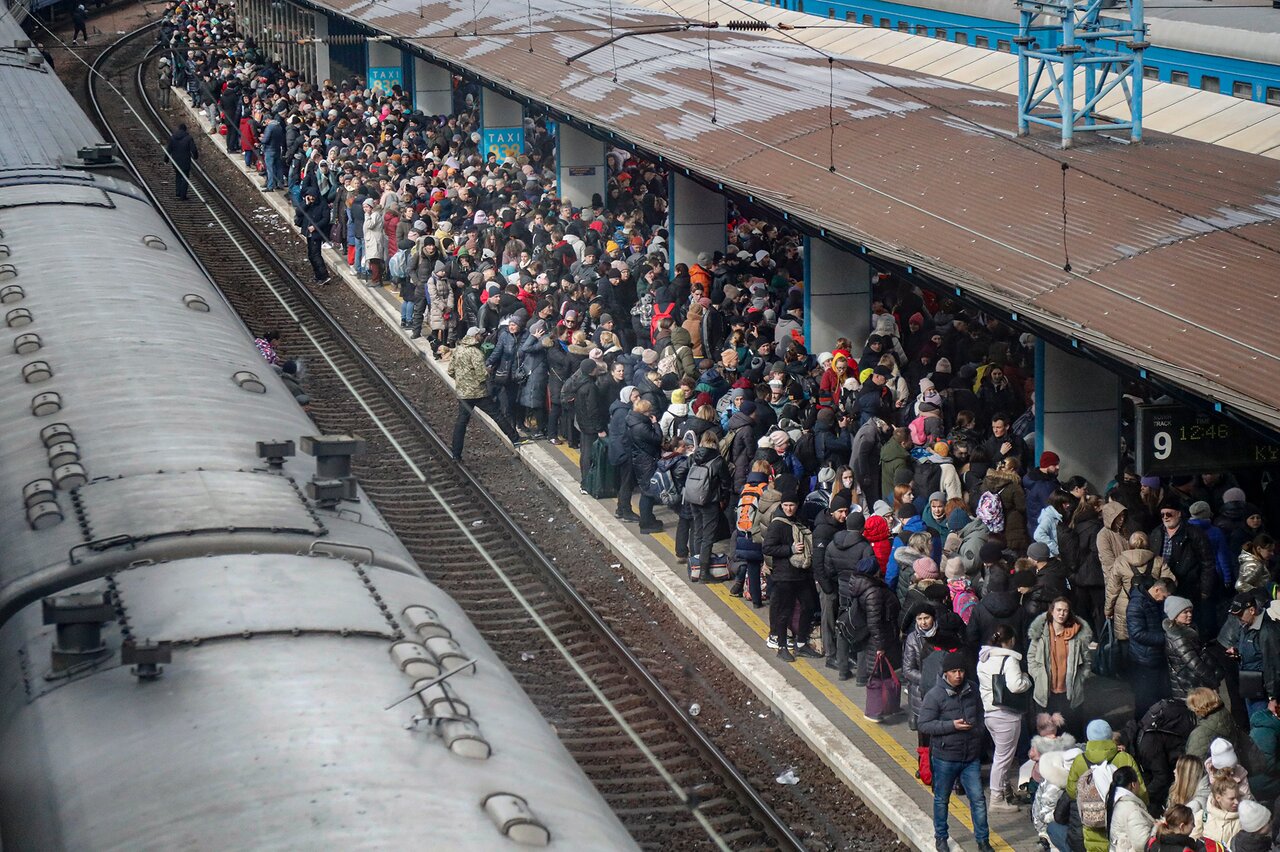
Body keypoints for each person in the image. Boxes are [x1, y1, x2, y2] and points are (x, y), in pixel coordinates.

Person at [916, 651, 994, 852]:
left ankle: (983, 841)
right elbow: (924, 724)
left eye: (961, 671)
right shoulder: (935, 695)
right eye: (954, 671)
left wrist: (977, 731)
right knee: (942, 799)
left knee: (977, 799)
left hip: (970, 756)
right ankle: (941, 837)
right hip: (945, 757)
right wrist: (952, 726)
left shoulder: (972, 689)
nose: (958, 675)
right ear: (946, 673)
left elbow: (980, 713)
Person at [1067, 718, 1149, 852]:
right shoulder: (1124, 758)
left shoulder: (1079, 761)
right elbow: (1141, 792)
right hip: (1120, 829)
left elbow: (1071, 791)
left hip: (1092, 828)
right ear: (1111, 736)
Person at [976, 623, 1032, 811]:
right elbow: (1015, 685)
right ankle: (997, 799)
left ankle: (1005, 790)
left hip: (989, 713)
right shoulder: (1009, 661)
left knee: (1001, 755)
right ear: (1010, 641)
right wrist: (1027, 680)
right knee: (1003, 758)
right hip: (1006, 714)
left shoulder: (983, 658)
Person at [763, 475, 818, 661]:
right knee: (784, 612)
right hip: (784, 576)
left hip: (801, 574)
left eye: (792, 505)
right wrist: (790, 549)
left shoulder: (798, 520)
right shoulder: (777, 524)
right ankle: (782, 646)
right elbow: (768, 548)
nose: (788, 508)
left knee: (808, 606)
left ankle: (801, 643)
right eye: (785, 505)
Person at [447, 327, 521, 459]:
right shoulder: (476, 353)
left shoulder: (458, 350)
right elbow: (481, 376)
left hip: (463, 394)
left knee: (461, 423)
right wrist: (488, 371)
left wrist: (462, 382)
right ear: (475, 336)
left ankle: (456, 454)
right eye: (480, 335)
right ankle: (515, 438)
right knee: (497, 415)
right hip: (478, 393)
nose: (482, 337)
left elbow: (451, 371)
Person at [1027, 597, 1094, 734]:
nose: (1061, 614)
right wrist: (1037, 674)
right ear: (1052, 611)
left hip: (1069, 692)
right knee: (1046, 730)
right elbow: (1031, 656)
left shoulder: (1077, 634)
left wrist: (1081, 678)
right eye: (1058, 610)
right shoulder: (1040, 633)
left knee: (1070, 730)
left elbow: (1087, 660)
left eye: (1065, 611)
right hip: (1046, 691)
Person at [683, 431, 730, 579]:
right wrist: (723, 499)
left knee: (697, 531)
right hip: (709, 501)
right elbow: (726, 483)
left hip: (693, 498)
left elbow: (680, 471)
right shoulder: (718, 460)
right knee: (708, 536)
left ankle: (695, 567)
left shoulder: (694, 457)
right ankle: (704, 572)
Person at [1165, 596, 1226, 702]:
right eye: (1185, 612)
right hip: (1189, 686)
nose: (1189, 615)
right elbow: (1195, 664)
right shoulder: (1178, 637)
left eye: (1190, 611)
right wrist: (1213, 681)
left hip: (1193, 683)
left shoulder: (1188, 630)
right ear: (1175, 616)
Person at [1130, 578, 1174, 720]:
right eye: (1164, 596)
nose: (1164, 600)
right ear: (1157, 589)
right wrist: (1165, 638)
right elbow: (1137, 633)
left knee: (1160, 697)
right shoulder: (1137, 604)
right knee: (1144, 701)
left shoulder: (1154, 602)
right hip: (1144, 660)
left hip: (1156, 657)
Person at [1108, 765, 1156, 852]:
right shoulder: (1132, 809)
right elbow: (1142, 844)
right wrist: (1158, 828)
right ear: (1133, 784)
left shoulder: (1113, 801)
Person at [165, 123, 198, 201]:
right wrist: (195, 156)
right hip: (185, 160)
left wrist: (166, 159)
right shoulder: (189, 138)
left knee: (178, 175)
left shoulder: (173, 138)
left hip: (175, 160)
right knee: (185, 177)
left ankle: (178, 192)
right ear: (185, 130)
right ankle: (183, 195)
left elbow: (169, 149)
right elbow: (193, 149)